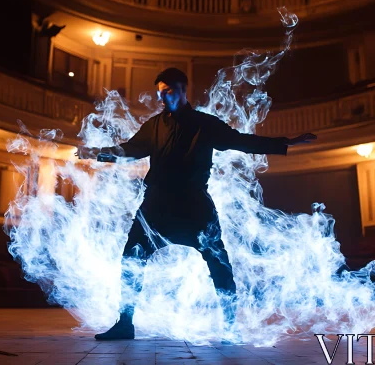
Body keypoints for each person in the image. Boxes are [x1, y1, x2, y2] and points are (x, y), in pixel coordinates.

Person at [76, 67, 317, 340]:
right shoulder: (154, 125)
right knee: (132, 258)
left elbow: (240, 141)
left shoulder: (205, 123)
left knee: (219, 264)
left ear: (182, 90)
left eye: (167, 91)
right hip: (157, 205)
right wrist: (99, 153)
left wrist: (285, 142)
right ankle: (125, 323)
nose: (162, 98)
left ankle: (229, 326)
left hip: (194, 204)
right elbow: (131, 150)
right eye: (159, 93)